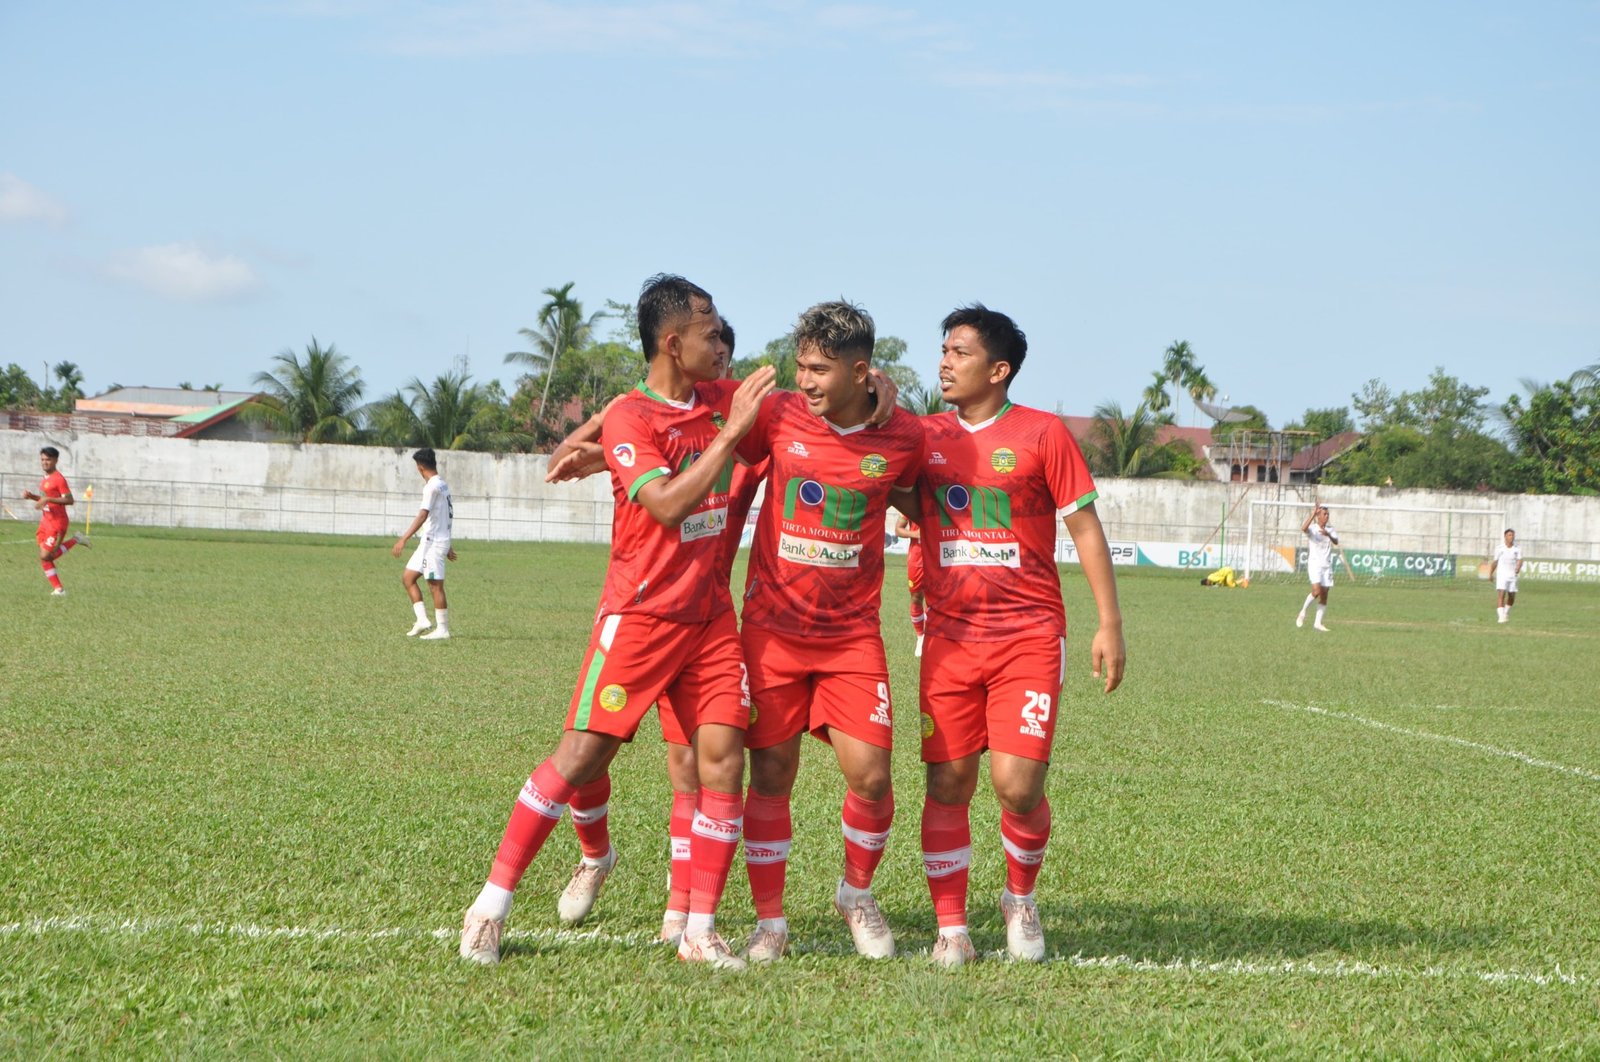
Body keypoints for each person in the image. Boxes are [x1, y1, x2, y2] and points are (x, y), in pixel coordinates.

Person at [458, 275, 775, 970]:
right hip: (640, 617)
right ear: (673, 342)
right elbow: (664, 504)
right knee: (579, 760)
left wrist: (871, 399)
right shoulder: (636, 416)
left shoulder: (720, 399)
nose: (721, 344)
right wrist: (717, 438)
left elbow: (806, 411)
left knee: (722, 761)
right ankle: (489, 907)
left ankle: (698, 930)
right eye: (710, 332)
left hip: (710, 619)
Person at [909, 304, 1125, 968]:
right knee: (948, 780)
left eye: (961, 353)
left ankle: (1019, 899)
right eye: (943, 350)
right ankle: (951, 927)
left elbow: (1085, 527)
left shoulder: (1042, 434)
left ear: (998, 370)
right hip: (946, 637)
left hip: (1029, 635)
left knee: (1017, 785)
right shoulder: (923, 437)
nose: (945, 362)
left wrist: (1109, 622)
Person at [724, 299, 924, 963]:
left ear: (860, 370)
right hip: (772, 632)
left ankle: (856, 894)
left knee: (871, 775)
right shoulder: (777, 414)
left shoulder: (902, 436)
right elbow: (696, 419)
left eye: (817, 369)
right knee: (772, 773)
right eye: (800, 365)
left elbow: (932, 491)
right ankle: (770, 922)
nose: (803, 379)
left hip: (851, 640)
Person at [392, 448, 455, 640]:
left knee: (434, 585)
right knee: (408, 578)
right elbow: (443, 515)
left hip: (434, 543)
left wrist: (403, 539)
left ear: (420, 467)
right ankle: (422, 620)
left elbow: (423, 514)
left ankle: (442, 629)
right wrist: (449, 544)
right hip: (430, 541)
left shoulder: (431, 487)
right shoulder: (442, 485)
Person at [24, 446, 89, 595]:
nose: (44, 462)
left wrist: (47, 498)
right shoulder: (45, 479)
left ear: (55, 461)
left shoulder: (59, 479)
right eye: (42, 459)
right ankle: (58, 589)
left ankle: (75, 539)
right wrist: (32, 496)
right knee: (44, 557)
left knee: (46, 556)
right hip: (45, 522)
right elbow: (45, 499)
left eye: (48, 459)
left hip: (57, 523)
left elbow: (70, 500)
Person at [1296, 505, 1337, 631]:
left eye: (1328, 514)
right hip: (1315, 564)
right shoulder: (1313, 529)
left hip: (1327, 566)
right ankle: (1303, 612)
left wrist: (1328, 535)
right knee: (1316, 591)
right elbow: (1303, 529)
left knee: (1324, 595)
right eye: (1324, 514)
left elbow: (1336, 541)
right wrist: (1313, 514)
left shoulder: (1330, 529)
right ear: (1318, 516)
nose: (1327, 516)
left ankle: (1317, 623)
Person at [895, 515, 927, 656]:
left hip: (940, 553)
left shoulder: (940, 499)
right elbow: (898, 529)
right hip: (918, 557)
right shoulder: (910, 502)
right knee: (916, 597)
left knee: (940, 596)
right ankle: (920, 636)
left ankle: (933, 636)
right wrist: (915, 534)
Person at [1490, 528, 1522, 624]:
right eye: (1509, 535)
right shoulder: (1499, 548)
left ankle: (1506, 612)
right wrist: (1490, 573)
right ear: (1505, 536)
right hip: (1502, 575)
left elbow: (1520, 560)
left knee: (1511, 596)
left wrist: (1518, 568)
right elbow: (1495, 562)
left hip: (1513, 575)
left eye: (1512, 535)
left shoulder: (1517, 548)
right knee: (1501, 595)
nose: (1511, 537)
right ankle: (1501, 617)